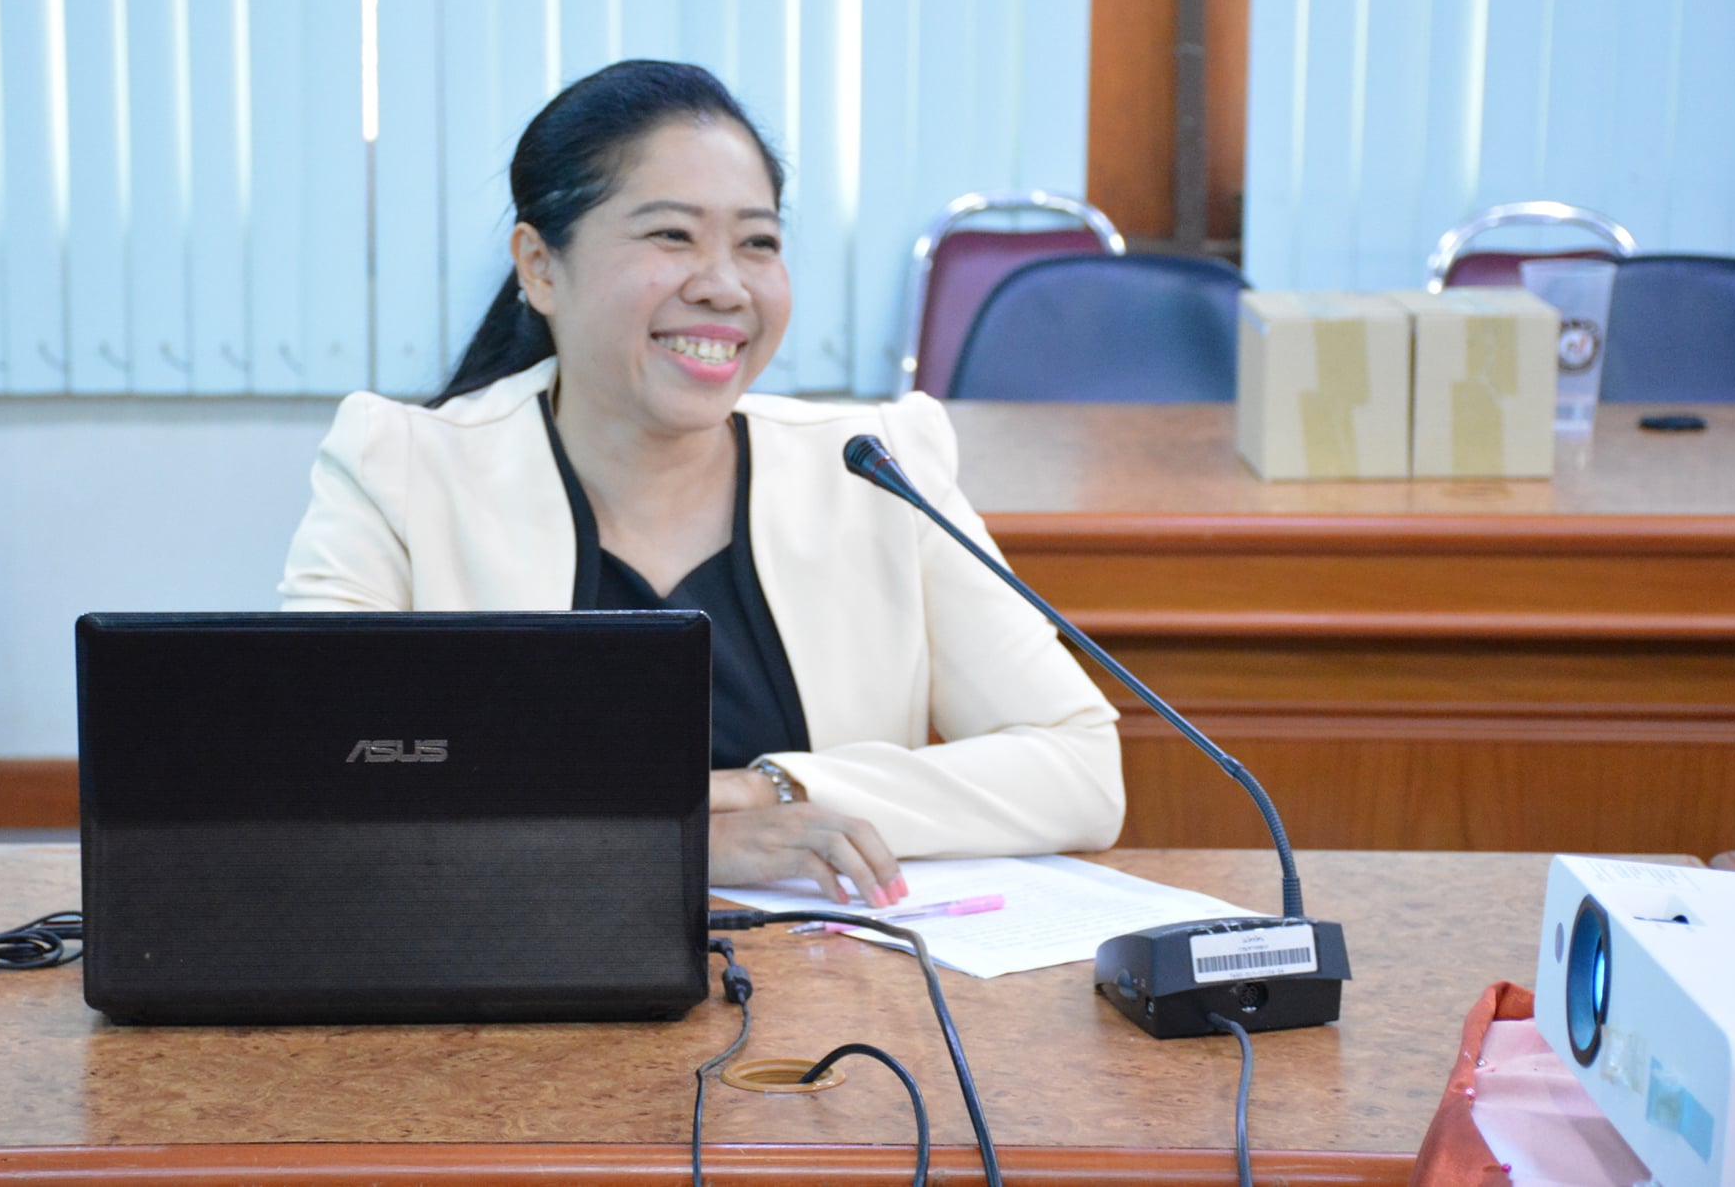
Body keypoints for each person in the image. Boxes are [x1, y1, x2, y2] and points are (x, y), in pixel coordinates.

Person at [280, 60, 1123, 906]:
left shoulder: (875, 466)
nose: (724, 285)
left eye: (758, 243)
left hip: (831, 979)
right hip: (520, 964)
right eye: (671, 235)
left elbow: (1081, 768)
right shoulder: (401, 469)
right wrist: (673, 843)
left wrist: (773, 790)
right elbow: (315, 776)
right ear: (539, 266)